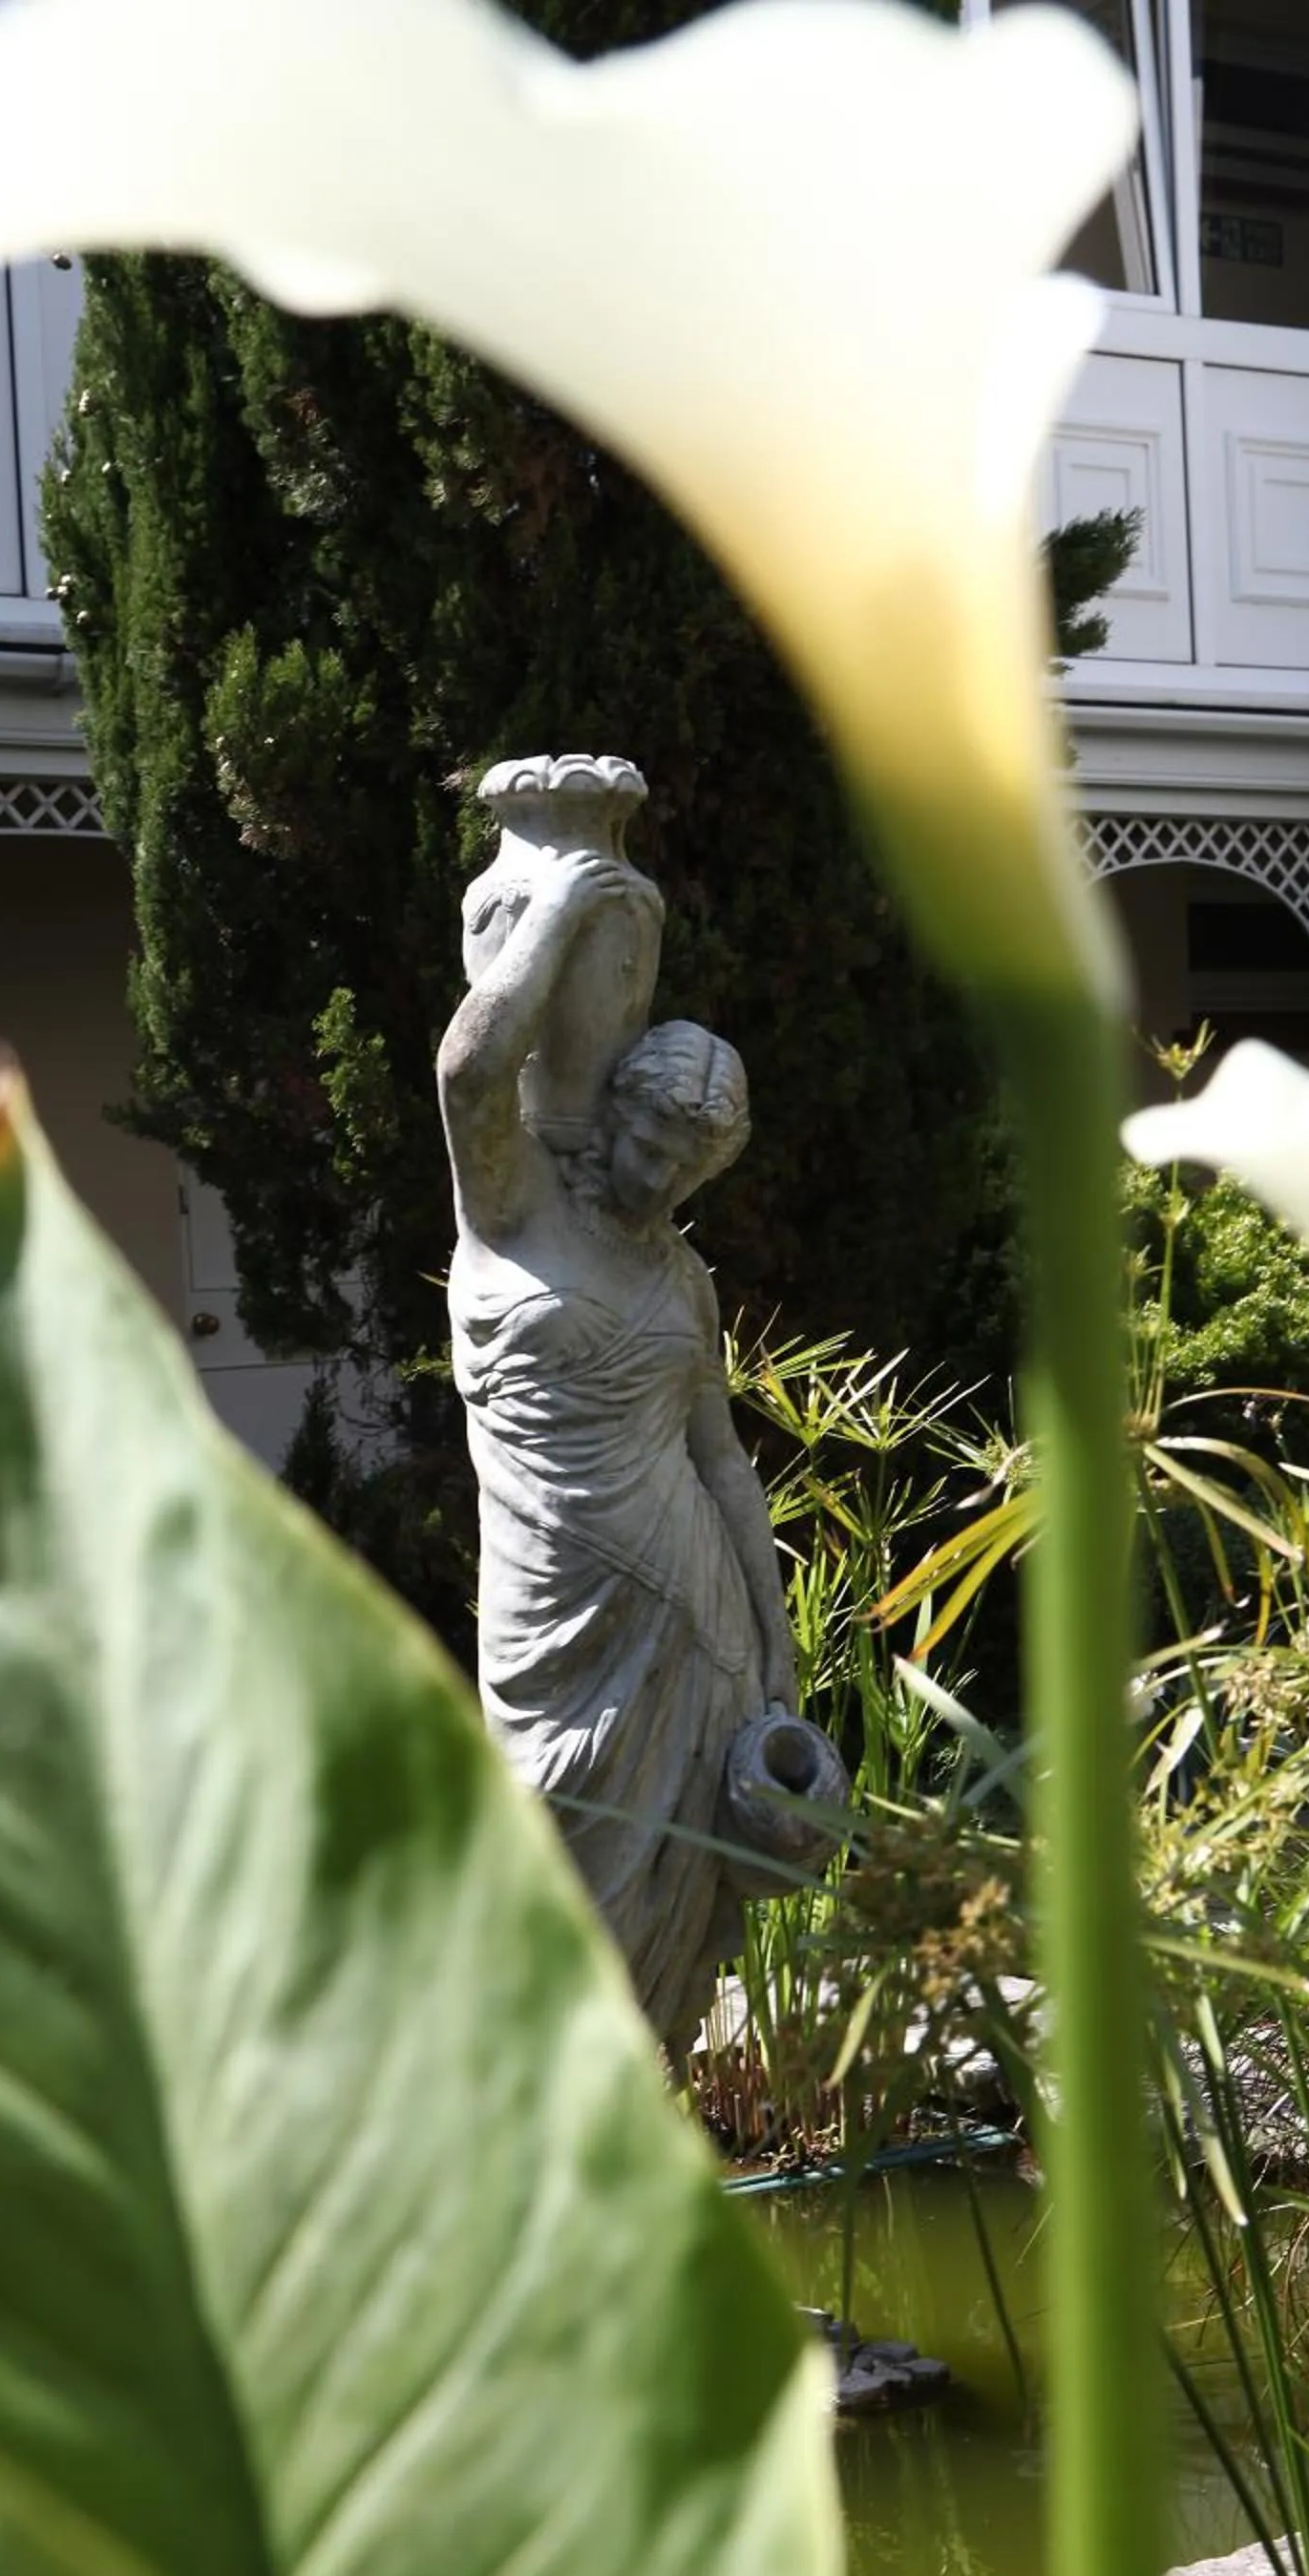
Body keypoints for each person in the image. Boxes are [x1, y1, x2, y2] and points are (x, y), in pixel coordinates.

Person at [438, 849, 799, 2049]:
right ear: (619, 1116)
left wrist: (777, 1636)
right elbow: (471, 1071)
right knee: (540, 1841)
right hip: (550, 1606)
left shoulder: (683, 1283)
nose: (657, 1170)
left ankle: (645, 2126)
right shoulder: (515, 1208)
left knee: (669, 1901)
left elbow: (722, 1463)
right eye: (647, 1137)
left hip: (690, 1618)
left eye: (686, 1160)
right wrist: (554, 909)